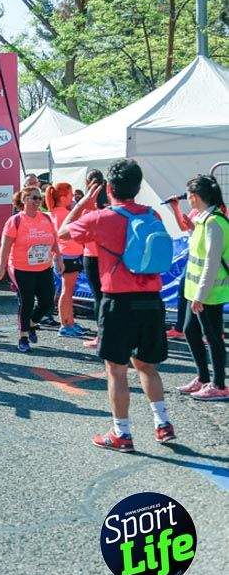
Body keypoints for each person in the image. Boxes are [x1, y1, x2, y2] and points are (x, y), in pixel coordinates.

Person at [59, 159, 175, 451]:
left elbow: (62, 232)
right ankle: (162, 424)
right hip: (151, 299)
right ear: (137, 188)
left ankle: (121, 433)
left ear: (109, 188)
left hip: (118, 302)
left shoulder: (101, 218)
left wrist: (85, 201)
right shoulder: (154, 216)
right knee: (147, 366)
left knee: (117, 370)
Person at [178, 175, 229, 401]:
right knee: (190, 330)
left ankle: (218, 384)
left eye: (189, 194)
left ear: (195, 196)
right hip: (196, 291)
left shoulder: (214, 222)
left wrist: (200, 295)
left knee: (213, 336)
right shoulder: (203, 219)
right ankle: (203, 377)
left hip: (208, 292)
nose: (187, 199)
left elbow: (211, 261)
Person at [0, 187, 61, 353]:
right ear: (23, 200)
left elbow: (54, 240)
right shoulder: (15, 220)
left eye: (39, 198)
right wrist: (1, 267)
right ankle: (23, 336)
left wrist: (59, 258)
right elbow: (5, 246)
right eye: (33, 198)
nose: (38, 201)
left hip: (44, 266)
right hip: (21, 267)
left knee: (47, 302)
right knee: (27, 301)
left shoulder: (46, 218)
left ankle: (31, 323)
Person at [46, 183, 88, 338]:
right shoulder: (65, 214)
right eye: (70, 195)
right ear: (63, 197)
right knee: (67, 291)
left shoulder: (54, 213)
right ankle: (65, 324)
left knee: (66, 291)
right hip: (68, 255)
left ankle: (69, 321)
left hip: (65, 256)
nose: (73, 198)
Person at [79, 169, 107, 349]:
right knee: (108, 296)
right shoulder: (110, 203)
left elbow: (78, 234)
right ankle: (109, 334)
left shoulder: (87, 208)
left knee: (99, 297)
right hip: (110, 255)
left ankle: (101, 336)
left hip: (92, 255)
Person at [165, 194, 199, 339]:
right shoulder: (196, 210)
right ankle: (180, 328)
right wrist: (175, 207)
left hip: (205, 258)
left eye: (190, 193)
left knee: (204, 296)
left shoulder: (217, 211)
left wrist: (195, 228)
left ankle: (215, 332)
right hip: (193, 257)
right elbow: (184, 227)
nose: (188, 197)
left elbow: (215, 235)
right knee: (183, 291)